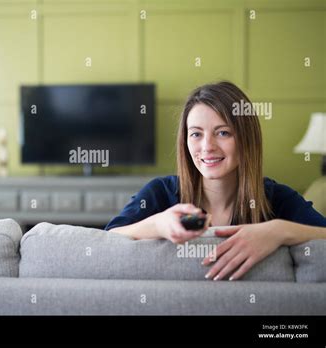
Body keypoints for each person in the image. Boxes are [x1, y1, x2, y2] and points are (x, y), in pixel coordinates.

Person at [105, 81, 326, 281]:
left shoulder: (277, 198)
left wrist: (278, 231)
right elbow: (106, 240)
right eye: (196, 134)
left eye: (223, 133)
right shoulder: (160, 192)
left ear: (246, 140)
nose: (207, 146)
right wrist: (158, 224)